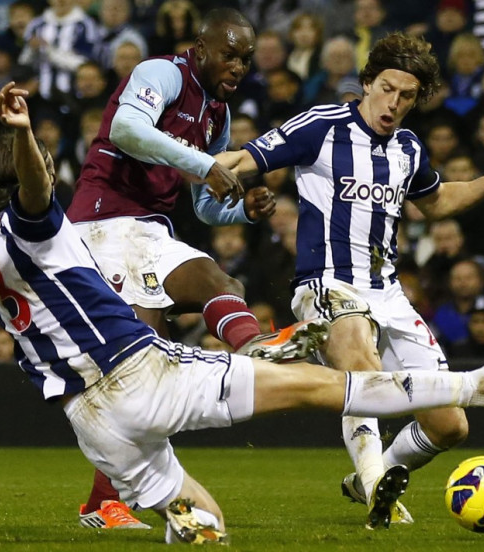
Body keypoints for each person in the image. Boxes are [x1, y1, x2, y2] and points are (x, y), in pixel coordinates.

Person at [0, 81, 484, 542]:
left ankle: (184, 515)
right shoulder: (37, 223)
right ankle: (482, 383)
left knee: (204, 523)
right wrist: (24, 132)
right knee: (326, 387)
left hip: (90, 420)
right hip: (144, 375)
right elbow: (34, 190)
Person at [214, 31, 484, 527]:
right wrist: (184, 162)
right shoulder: (320, 126)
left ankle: (378, 472)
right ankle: (374, 484)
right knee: (359, 361)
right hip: (327, 285)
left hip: (387, 293)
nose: (394, 102)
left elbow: (437, 204)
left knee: (450, 425)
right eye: (386, 88)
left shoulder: (408, 148)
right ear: (366, 83)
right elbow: (243, 160)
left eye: (407, 96)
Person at [65, 8, 324, 527]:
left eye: (246, 58)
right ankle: (105, 501)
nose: (238, 66)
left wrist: (238, 210)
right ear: (200, 48)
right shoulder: (163, 73)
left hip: (149, 230)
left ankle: (254, 351)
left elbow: (205, 203)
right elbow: (126, 128)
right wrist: (205, 164)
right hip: (102, 220)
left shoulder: (217, 114)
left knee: (217, 282)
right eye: (229, 54)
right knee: (139, 374)